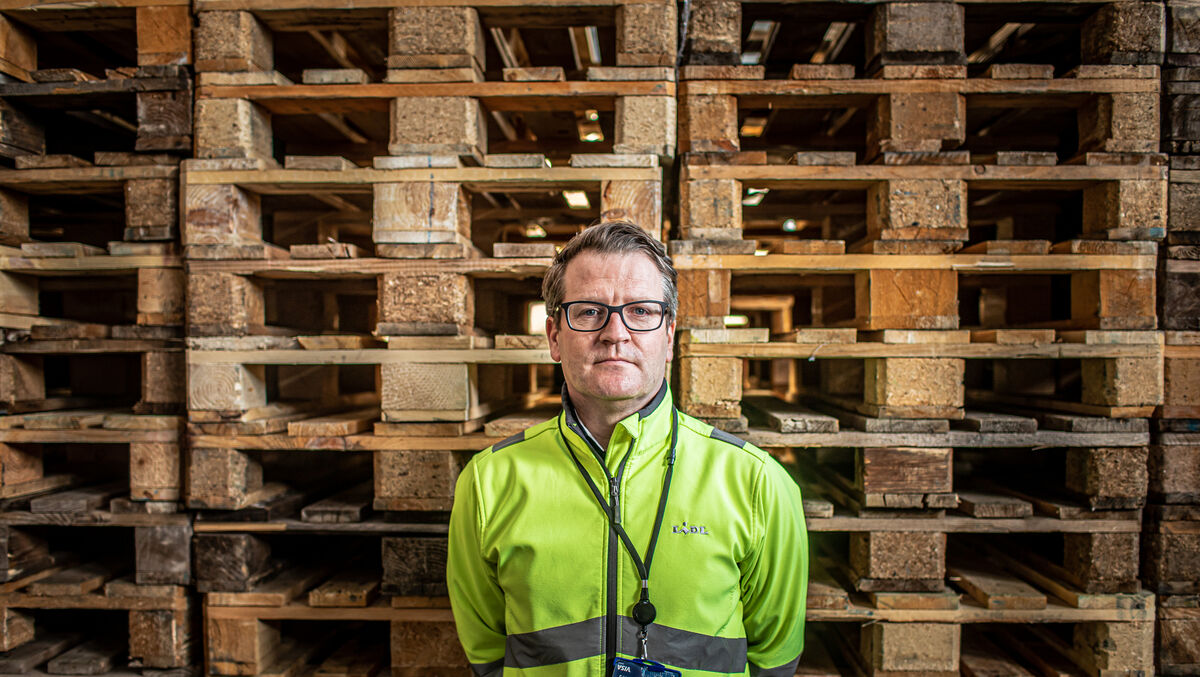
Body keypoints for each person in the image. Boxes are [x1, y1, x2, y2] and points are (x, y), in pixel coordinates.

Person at [447, 220, 808, 677]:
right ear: (554, 337)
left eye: (639, 311)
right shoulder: (488, 484)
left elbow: (774, 659)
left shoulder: (757, 483)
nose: (615, 333)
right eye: (589, 312)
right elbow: (487, 654)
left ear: (669, 336)